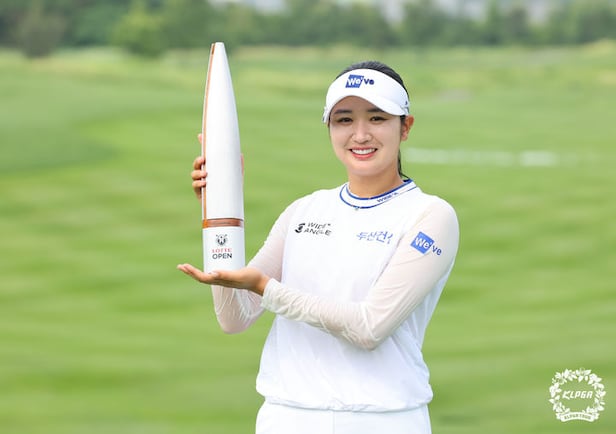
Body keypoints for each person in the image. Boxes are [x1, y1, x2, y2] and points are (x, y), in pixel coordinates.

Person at [177, 60, 460, 434]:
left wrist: (265, 288)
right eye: (344, 120)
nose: (360, 134)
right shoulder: (304, 210)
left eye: (377, 118)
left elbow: (369, 327)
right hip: (286, 417)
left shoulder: (431, 216)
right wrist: (220, 211)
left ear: (404, 127)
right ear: (329, 128)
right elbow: (235, 317)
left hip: (383, 420)